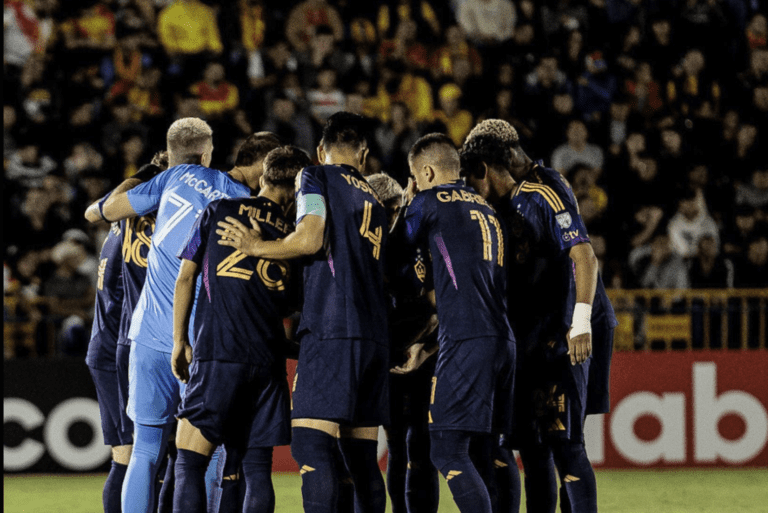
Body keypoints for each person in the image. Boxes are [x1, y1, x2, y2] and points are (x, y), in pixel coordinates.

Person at [87, 118, 280, 513]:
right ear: (209, 153)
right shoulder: (239, 197)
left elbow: (105, 210)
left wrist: (145, 176)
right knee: (202, 452)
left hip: (146, 336)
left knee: (144, 449)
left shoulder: (173, 178)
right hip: (200, 344)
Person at [216, 112, 389, 513]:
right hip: (375, 337)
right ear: (363, 155)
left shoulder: (315, 177)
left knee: (312, 443)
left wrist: (256, 247)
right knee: (361, 458)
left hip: (333, 329)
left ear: (320, 151)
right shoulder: (375, 199)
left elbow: (310, 239)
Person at [461, 119, 617, 513]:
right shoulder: (514, 196)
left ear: (493, 164)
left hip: (560, 336)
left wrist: (580, 322)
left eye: (476, 177)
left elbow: (583, 254)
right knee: (530, 446)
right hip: (530, 338)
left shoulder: (545, 192)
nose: (478, 189)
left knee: (564, 443)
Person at [170, 146, 310, 513]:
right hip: (268, 361)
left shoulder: (219, 210)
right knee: (257, 470)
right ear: (297, 191)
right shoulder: (296, 239)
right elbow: (293, 305)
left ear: (263, 177)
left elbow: (185, 278)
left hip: (219, 352)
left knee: (189, 460)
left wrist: (178, 340)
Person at [401, 133, 515, 513]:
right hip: (501, 339)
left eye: (415, 177)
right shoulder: (487, 209)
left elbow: (392, 256)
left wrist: (404, 205)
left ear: (427, 172)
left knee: (447, 449)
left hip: (468, 341)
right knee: (488, 451)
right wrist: (430, 345)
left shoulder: (428, 201)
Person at [85, 153, 167, 513]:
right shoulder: (147, 226)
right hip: (122, 345)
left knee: (133, 452)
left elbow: (98, 209)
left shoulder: (119, 223)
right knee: (132, 454)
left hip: (106, 344)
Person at [366, 173, 440, 513]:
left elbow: (438, 304)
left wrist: (424, 345)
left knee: (418, 447)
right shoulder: (376, 250)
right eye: (392, 210)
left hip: (419, 354)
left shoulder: (416, 240)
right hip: (397, 356)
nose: (396, 217)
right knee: (400, 446)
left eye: (398, 209)